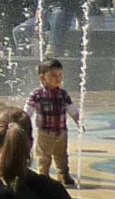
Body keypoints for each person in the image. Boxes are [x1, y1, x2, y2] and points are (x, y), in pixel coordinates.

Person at [27, 58, 79, 186]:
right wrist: (24, 121)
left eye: (60, 75)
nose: (58, 78)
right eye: (54, 75)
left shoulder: (63, 94)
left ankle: (63, 175)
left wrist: (78, 120)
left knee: (62, 155)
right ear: (42, 77)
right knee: (44, 156)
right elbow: (28, 109)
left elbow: (71, 108)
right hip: (44, 132)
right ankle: (43, 176)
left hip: (61, 131)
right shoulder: (38, 94)